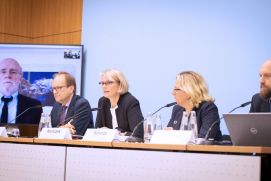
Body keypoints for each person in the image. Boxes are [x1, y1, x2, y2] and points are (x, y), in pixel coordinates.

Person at [167, 71, 222, 140]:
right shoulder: (177, 109)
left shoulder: (208, 108)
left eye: (176, 89)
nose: (172, 93)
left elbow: (204, 138)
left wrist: (175, 136)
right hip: (180, 150)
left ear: (189, 91)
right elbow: (169, 136)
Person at [95, 69, 144, 139]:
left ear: (120, 84)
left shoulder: (130, 102)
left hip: (127, 148)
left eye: (109, 82)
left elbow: (137, 134)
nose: (104, 86)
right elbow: (97, 130)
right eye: (102, 83)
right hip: (106, 148)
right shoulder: (102, 102)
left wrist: (112, 133)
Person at [0, 58, 42, 124]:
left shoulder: (34, 106)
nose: (7, 76)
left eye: (13, 72)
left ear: (20, 78)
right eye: (3, 72)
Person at [50, 72, 94, 136]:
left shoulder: (82, 104)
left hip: (77, 145)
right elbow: (51, 129)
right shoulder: (57, 105)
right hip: (58, 145)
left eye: (59, 88)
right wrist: (61, 129)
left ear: (71, 88)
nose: (54, 92)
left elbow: (76, 131)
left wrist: (58, 130)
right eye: (53, 88)